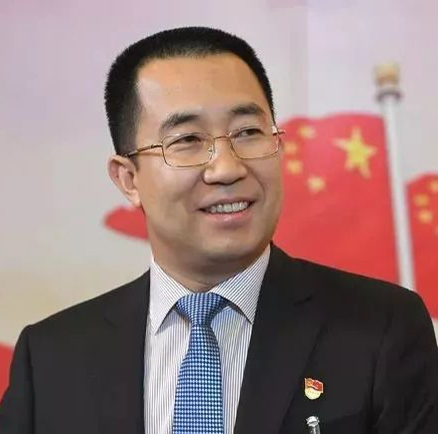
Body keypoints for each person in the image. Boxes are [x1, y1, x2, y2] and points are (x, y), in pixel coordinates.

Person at [0, 26, 437, 434]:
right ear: (128, 179)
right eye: (187, 141)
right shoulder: (51, 359)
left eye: (247, 132)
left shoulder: (382, 329)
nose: (227, 168)